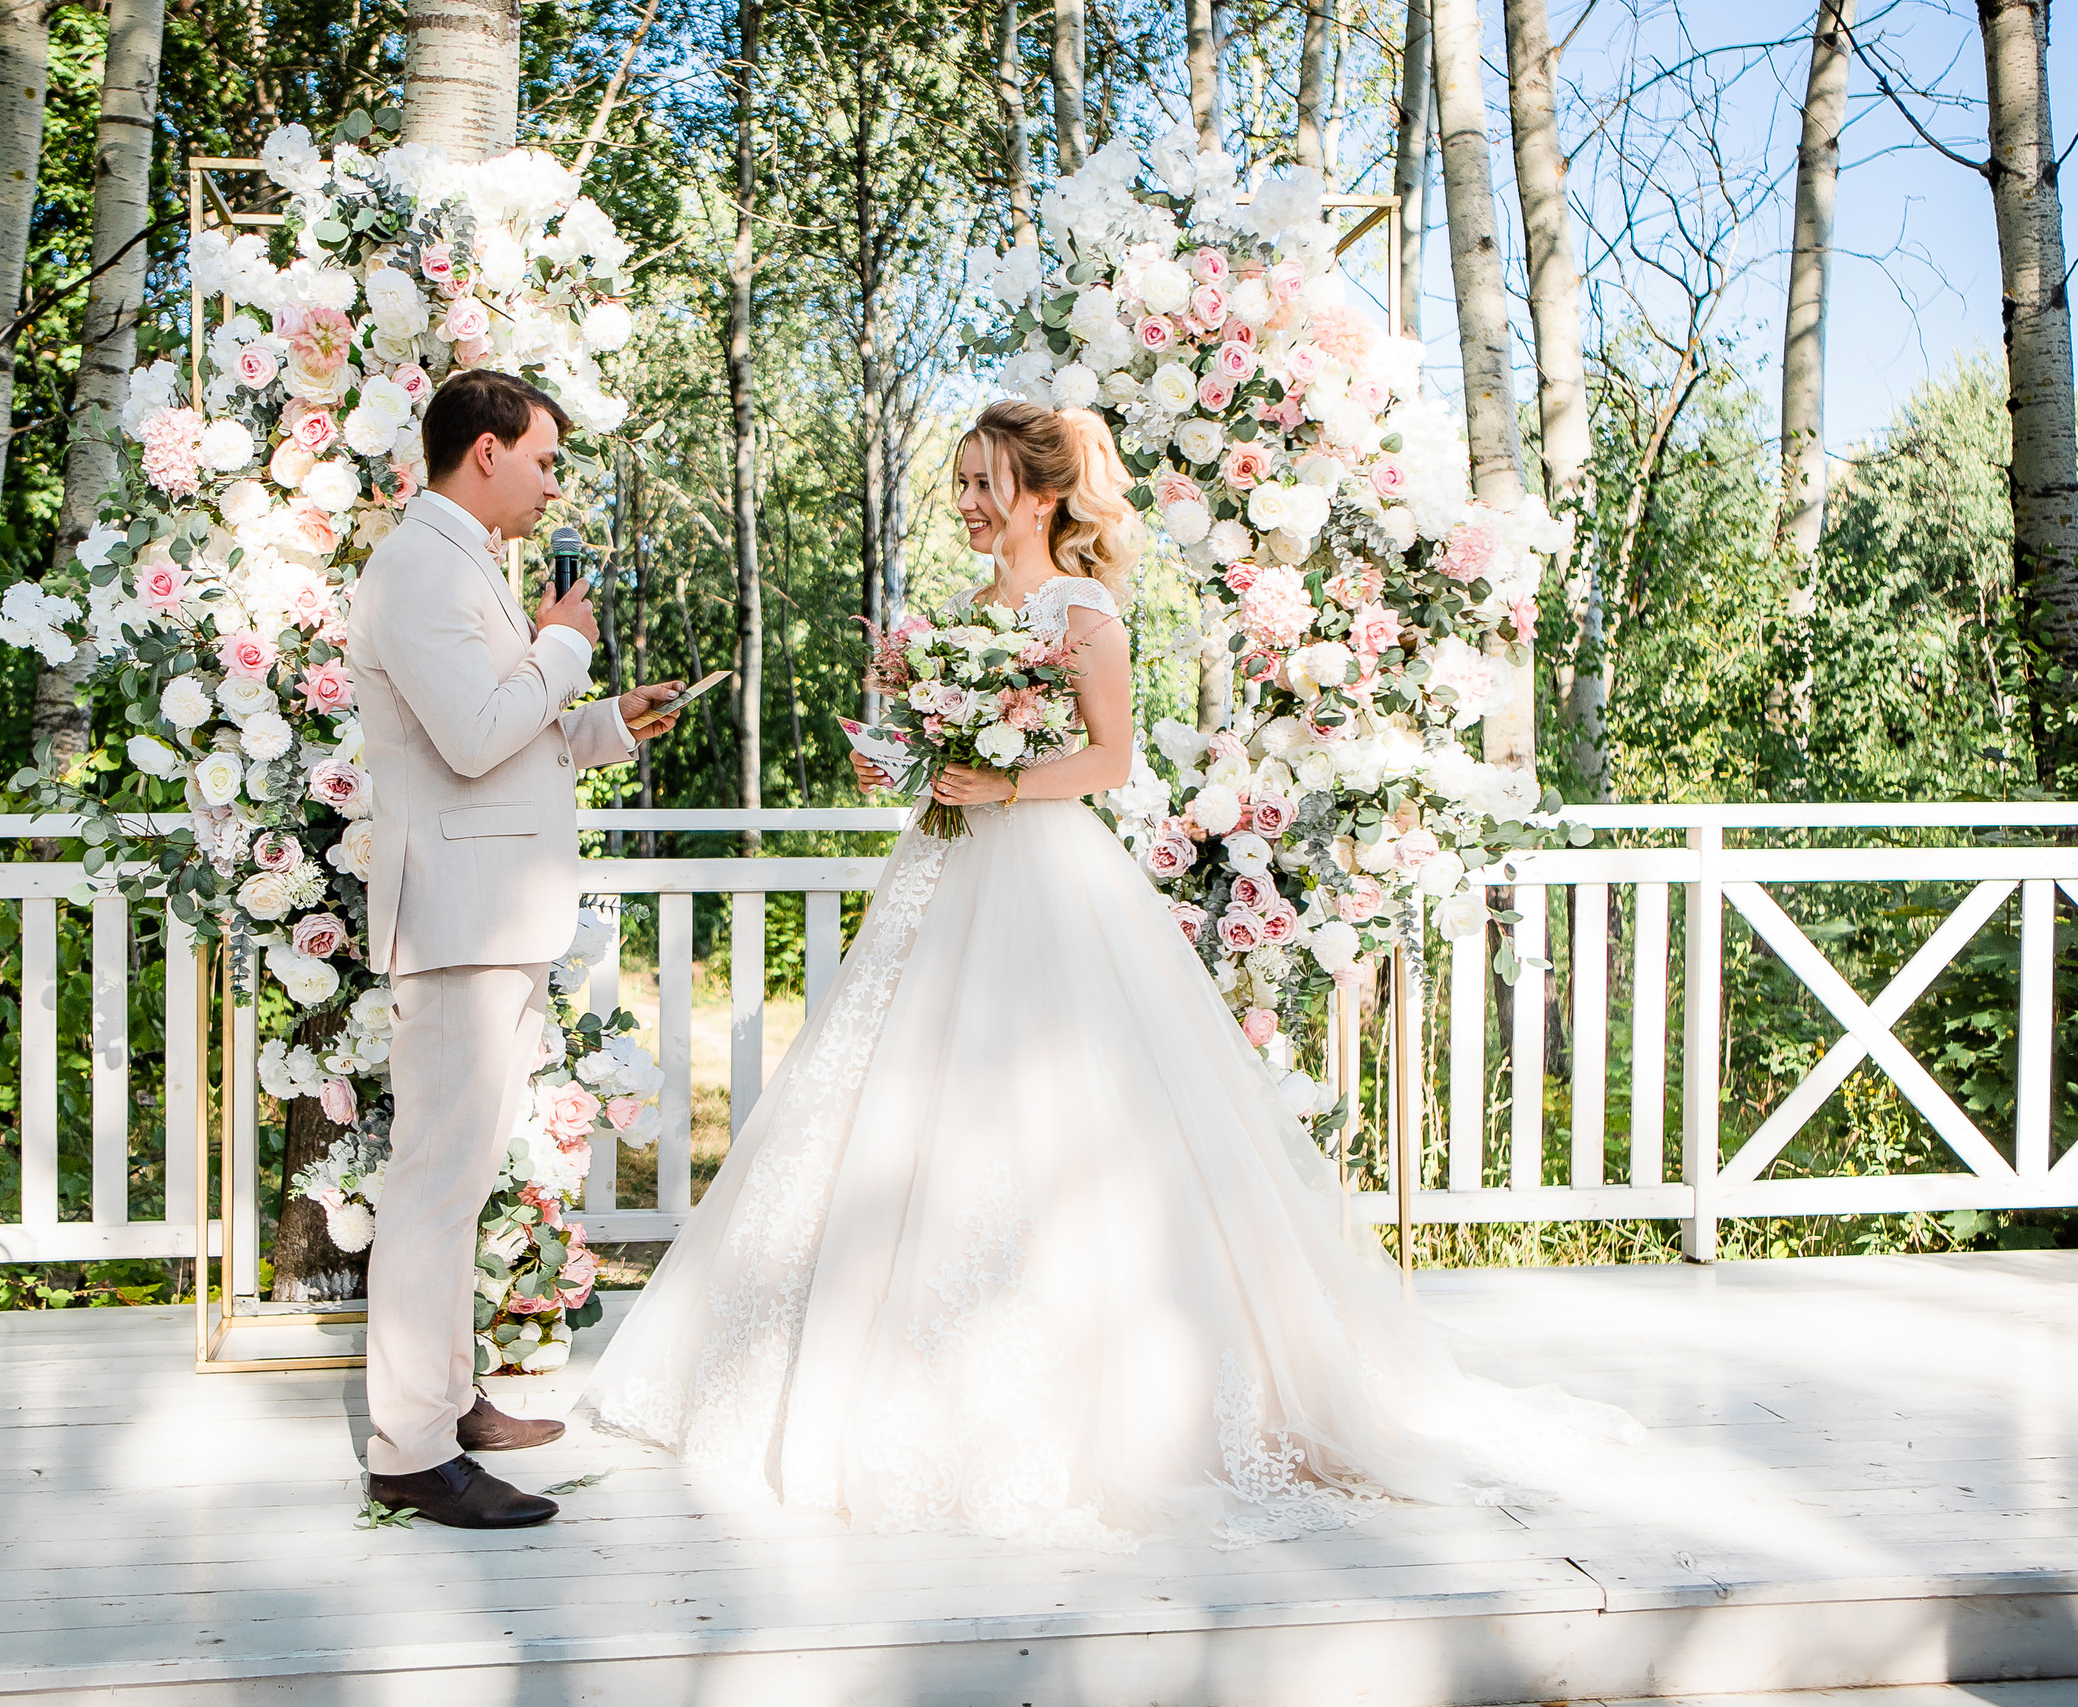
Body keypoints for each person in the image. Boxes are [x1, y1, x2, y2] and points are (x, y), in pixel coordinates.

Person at [578, 400, 1637, 1549]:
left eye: (985, 483)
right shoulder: (970, 614)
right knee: (891, 1104)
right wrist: (918, 755)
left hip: (1045, 877)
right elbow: (967, 744)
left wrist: (999, 783)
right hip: (944, 875)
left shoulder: (1082, 611)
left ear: (1042, 493)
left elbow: (1108, 757)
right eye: (962, 483)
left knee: (1060, 1117)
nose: (968, 503)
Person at [345, 369, 683, 1529]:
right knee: (435, 1189)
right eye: (543, 460)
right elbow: (482, 732)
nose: (551, 486)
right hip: (459, 922)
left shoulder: (461, 563)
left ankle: (444, 1404)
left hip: (493, 912)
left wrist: (605, 722)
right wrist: (561, 647)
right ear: (483, 451)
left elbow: (507, 735)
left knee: (459, 1178)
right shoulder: (420, 569)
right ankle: (407, 1450)